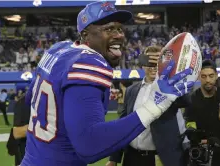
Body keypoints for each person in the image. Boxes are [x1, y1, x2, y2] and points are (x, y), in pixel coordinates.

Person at [21, 1, 194, 166]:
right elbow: (90, 145)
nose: (119, 35)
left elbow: (29, 101)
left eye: (119, 28)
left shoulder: (57, 49)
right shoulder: (89, 62)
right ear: (86, 35)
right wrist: (154, 105)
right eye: (109, 29)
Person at [107, 46, 190, 166]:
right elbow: (123, 125)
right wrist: (114, 158)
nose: (153, 68)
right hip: (132, 158)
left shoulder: (170, 89)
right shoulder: (131, 91)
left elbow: (186, 101)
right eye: (149, 63)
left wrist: (172, 76)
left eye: (157, 63)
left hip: (159, 159)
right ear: (143, 65)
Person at [184, 60, 220, 166]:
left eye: (211, 76)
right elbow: (189, 124)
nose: (208, 80)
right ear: (199, 77)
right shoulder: (191, 99)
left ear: (216, 76)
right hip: (202, 156)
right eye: (203, 76)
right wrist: (198, 138)